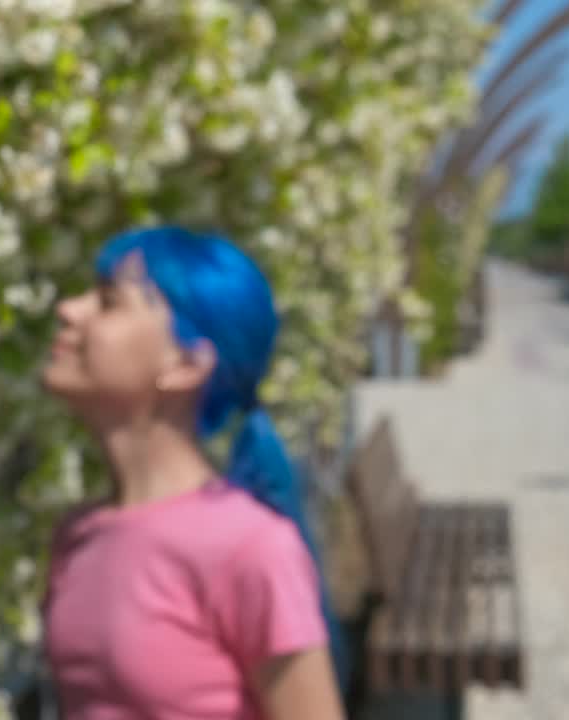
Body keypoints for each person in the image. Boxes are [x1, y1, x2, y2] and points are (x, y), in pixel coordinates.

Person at [40, 226, 347, 720]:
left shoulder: (250, 549)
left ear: (185, 364)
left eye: (108, 301)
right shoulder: (78, 536)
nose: (69, 309)